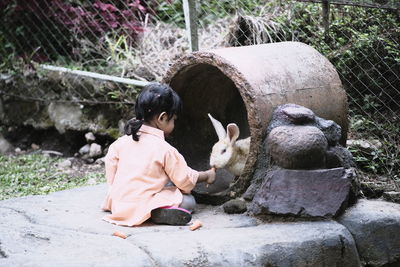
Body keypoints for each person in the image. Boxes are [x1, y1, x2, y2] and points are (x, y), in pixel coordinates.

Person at [101, 82, 216, 226]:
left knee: (157, 184)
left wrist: (114, 189)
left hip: (119, 203)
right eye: (173, 119)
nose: (174, 123)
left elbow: (111, 168)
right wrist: (206, 175)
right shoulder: (165, 149)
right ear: (162, 118)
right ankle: (155, 211)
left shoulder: (120, 143)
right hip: (145, 201)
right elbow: (185, 181)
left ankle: (136, 209)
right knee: (188, 200)